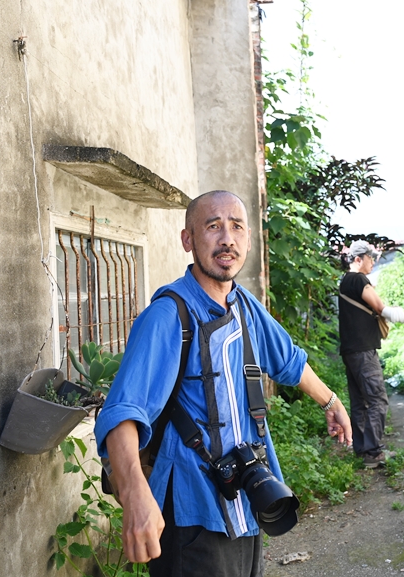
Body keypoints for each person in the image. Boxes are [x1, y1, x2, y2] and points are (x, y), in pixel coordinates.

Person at [95, 191, 352, 577]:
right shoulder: (168, 315)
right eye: (213, 226)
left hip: (247, 500)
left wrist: (331, 402)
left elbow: (288, 361)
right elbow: (122, 413)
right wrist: (134, 496)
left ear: (247, 239)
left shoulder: (246, 306)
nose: (226, 238)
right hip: (192, 514)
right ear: (189, 240)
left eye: (236, 227)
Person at [338, 240, 404, 469]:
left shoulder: (344, 282)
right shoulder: (358, 279)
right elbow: (381, 308)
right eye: (370, 258)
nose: (373, 263)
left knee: (360, 402)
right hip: (362, 351)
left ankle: (363, 449)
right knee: (377, 399)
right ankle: (373, 452)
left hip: (351, 350)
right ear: (358, 259)